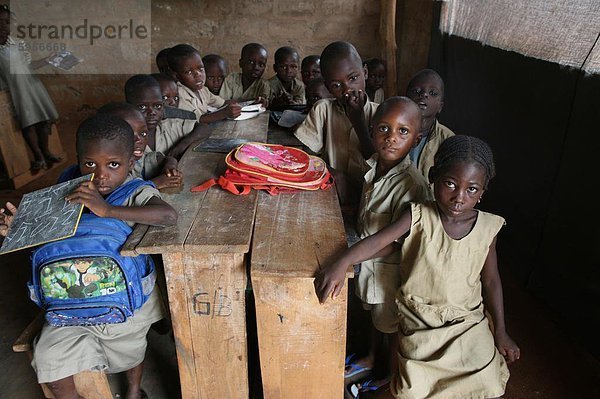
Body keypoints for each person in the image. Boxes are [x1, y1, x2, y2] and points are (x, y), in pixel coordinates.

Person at [315, 135, 520, 399]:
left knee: (486, 382)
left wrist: (501, 331)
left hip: (467, 321)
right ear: (433, 177)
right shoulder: (418, 215)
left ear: (482, 193)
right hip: (419, 318)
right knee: (413, 390)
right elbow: (378, 241)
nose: (459, 197)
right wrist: (341, 262)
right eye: (450, 183)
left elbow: (491, 281)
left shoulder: (488, 228)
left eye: (471, 189)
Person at [0, 113, 178, 399]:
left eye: (114, 164)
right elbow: (47, 240)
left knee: (131, 351)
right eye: (90, 164)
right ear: (79, 160)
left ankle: (133, 390)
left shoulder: (135, 190)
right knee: (48, 356)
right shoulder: (67, 188)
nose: (101, 174)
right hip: (66, 302)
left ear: (131, 163)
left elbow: (168, 215)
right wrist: (18, 230)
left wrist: (107, 210)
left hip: (125, 301)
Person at [344, 97, 432, 392]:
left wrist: (353, 256)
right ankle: (370, 358)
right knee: (372, 315)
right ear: (372, 130)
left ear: (416, 138)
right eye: (384, 128)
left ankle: (390, 377)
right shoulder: (374, 167)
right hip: (369, 267)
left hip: (389, 273)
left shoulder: (413, 185)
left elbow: (397, 244)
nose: (391, 137)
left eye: (403, 131)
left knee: (391, 325)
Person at [294, 41, 378, 207]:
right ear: (327, 87)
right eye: (336, 85)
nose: (347, 89)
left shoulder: (382, 114)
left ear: (365, 72)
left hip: (368, 202)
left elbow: (378, 162)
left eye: (353, 78)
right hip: (329, 194)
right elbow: (306, 157)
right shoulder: (322, 110)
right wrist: (331, 172)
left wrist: (359, 123)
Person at [0, 4, 61, 171]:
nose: (3, 26)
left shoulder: (17, 42)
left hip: (32, 86)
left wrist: (47, 60)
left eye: (5, 22)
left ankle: (46, 152)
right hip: (14, 91)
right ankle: (38, 156)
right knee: (28, 124)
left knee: (43, 121)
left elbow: (28, 65)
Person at [98, 101, 182, 190]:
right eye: (129, 134)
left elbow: (163, 158)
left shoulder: (135, 157)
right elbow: (114, 198)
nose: (139, 140)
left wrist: (170, 167)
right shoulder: (104, 169)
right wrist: (154, 183)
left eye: (143, 134)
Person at [124, 74, 209, 159]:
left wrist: (182, 145)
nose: (152, 112)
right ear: (128, 106)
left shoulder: (169, 127)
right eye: (142, 107)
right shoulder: (124, 138)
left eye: (157, 106)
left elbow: (204, 128)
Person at [167, 44, 241, 123]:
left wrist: (250, 101)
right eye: (189, 72)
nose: (198, 74)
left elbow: (223, 103)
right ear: (176, 76)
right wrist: (224, 113)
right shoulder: (179, 95)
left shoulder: (202, 90)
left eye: (200, 68)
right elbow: (198, 120)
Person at [405, 68, 454, 184]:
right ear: (406, 98)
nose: (424, 94)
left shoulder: (448, 140)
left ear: (440, 106)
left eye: (433, 93)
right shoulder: (392, 128)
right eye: (416, 91)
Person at [219, 42, 270, 107]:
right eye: (250, 62)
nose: (256, 67)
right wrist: (251, 101)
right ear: (241, 63)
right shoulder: (231, 79)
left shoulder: (263, 85)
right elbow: (222, 103)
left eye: (261, 64)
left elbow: (261, 105)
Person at [268, 46, 305, 110]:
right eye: (284, 67)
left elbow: (300, 105)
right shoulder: (269, 85)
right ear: (275, 68)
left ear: (298, 68)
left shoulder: (299, 85)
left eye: (293, 67)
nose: (289, 71)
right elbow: (266, 106)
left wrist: (291, 102)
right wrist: (277, 102)